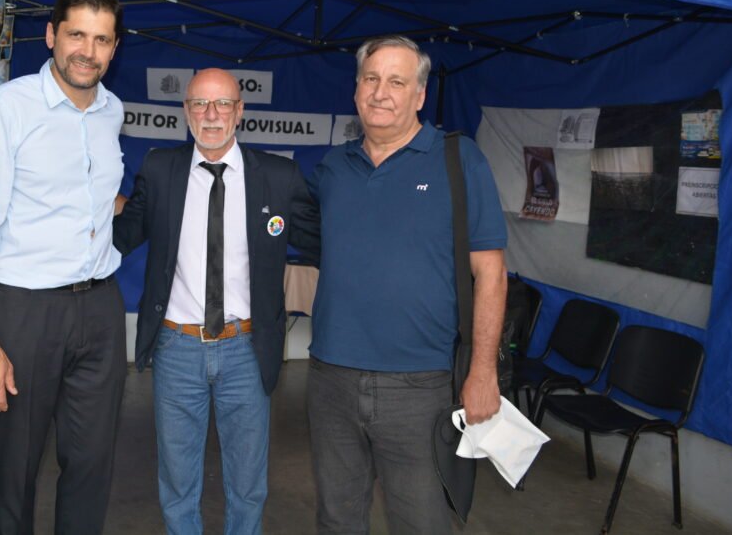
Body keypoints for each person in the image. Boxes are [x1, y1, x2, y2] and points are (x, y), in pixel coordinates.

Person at [306, 35, 508, 534]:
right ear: (356, 89)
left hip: (419, 386)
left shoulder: (459, 160)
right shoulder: (333, 167)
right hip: (331, 378)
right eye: (371, 79)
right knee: (336, 519)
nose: (381, 93)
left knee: (422, 522)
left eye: (397, 82)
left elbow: (491, 273)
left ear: (419, 95)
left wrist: (483, 371)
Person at [114, 68, 319, 535]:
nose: (211, 115)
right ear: (185, 111)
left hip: (247, 349)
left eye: (222, 103)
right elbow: (122, 237)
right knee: (177, 482)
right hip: (177, 347)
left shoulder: (278, 176)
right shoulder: (160, 169)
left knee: (248, 484)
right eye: (200, 104)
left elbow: (325, 241)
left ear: (239, 111)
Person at [0, 0, 127, 535]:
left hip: (100, 308)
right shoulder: (7, 108)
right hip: (26, 311)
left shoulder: (112, 110)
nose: (88, 51)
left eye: (102, 39)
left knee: (92, 464)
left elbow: (93, 196)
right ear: (51, 35)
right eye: (77, 35)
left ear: (114, 47)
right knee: (16, 466)